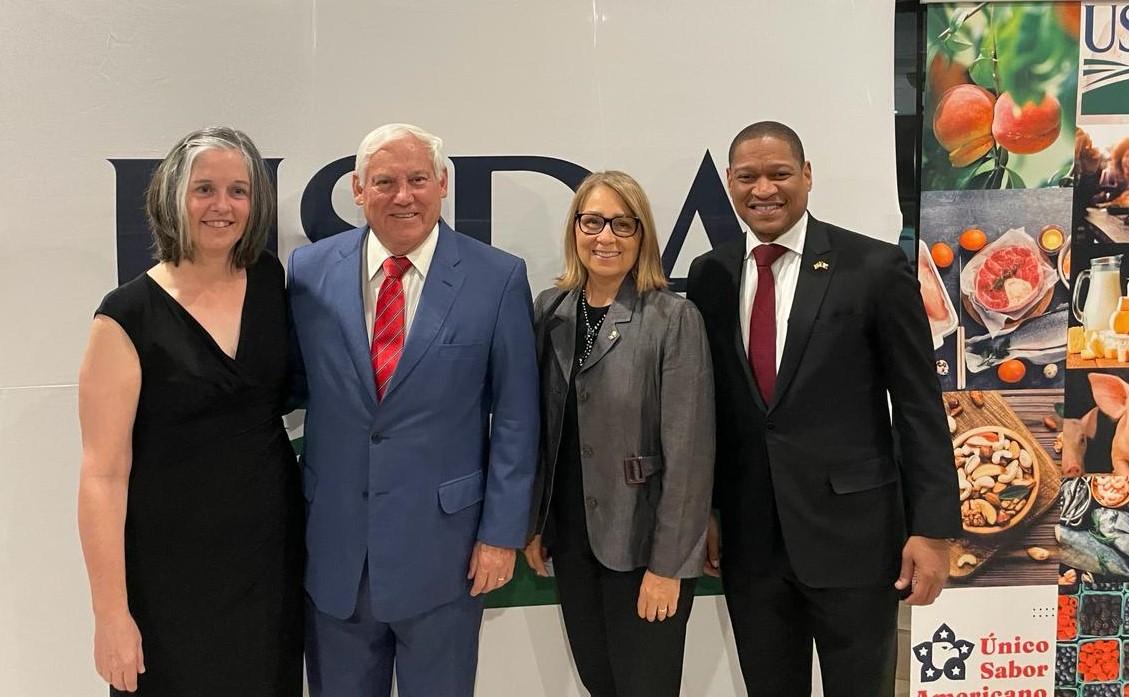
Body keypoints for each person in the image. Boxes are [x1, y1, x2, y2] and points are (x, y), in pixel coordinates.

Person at [685, 121, 959, 697]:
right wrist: (709, 511)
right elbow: (712, 413)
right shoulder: (711, 275)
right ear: (730, 184)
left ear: (806, 177)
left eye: (779, 173)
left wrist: (932, 530)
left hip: (856, 540)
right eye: (747, 177)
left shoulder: (875, 268)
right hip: (751, 543)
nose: (764, 189)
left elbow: (917, 406)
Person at [287, 123, 539, 697]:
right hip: (335, 553)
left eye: (418, 179)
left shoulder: (497, 278)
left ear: (443, 183)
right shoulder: (308, 273)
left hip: (445, 554)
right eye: (385, 181)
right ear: (356, 189)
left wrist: (501, 534)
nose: (403, 195)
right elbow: (288, 386)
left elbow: (518, 418)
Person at [77, 127, 303, 696]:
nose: (222, 206)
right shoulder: (125, 316)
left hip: (270, 565)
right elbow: (102, 476)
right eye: (204, 189)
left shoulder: (273, 281)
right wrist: (111, 616)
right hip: (167, 577)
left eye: (238, 191)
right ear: (171, 197)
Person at [523, 171, 714, 697]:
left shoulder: (673, 317)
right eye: (592, 222)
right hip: (573, 540)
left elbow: (690, 454)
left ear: (642, 235)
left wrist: (668, 566)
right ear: (575, 230)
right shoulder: (550, 311)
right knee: (599, 682)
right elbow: (543, 431)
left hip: (643, 545)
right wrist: (537, 522)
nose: (604, 237)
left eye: (621, 224)